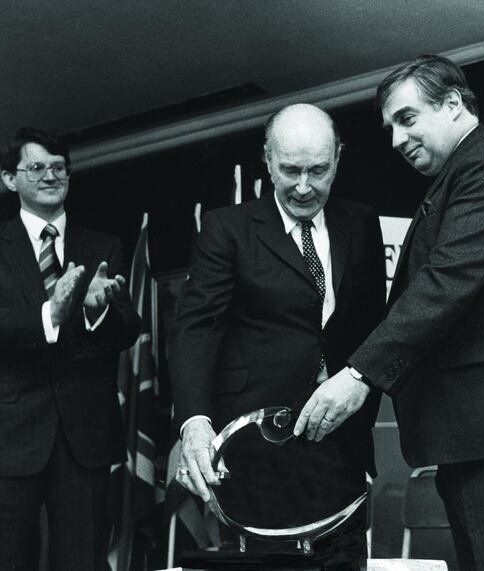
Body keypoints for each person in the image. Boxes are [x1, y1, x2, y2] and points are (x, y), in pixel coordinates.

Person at [295, 55, 484, 570]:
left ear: (453, 104)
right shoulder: (460, 175)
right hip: (480, 431)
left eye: (407, 118)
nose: (396, 140)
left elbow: (446, 283)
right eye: (390, 128)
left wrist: (359, 374)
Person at [170, 104, 385, 569]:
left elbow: (371, 327)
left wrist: (363, 407)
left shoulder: (361, 222)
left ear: (338, 158)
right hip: (254, 452)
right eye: (290, 170)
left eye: (318, 170)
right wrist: (195, 423)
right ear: (267, 160)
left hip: (339, 450)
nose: (304, 186)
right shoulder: (227, 228)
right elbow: (196, 329)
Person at [0, 127, 141, 570]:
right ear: (9, 179)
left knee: (84, 561)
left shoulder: (103, 245)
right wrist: (51, 314)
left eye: (59, 167)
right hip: (11, 436)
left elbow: (129, 329)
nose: (50, 176)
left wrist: (97, 312)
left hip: (86, 435)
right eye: (36, 167)